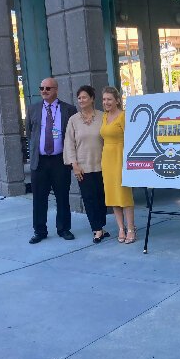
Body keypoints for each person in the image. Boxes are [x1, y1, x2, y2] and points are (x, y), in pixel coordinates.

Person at [27, 77, 77, 244]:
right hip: (39, 161)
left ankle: (64, 229)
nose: (44, 91)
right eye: (41, 88)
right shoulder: (33, 109)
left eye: (48, 88)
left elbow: (72, 135)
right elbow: (30, 133)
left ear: (56, 90)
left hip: (59, 161)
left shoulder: (68, 109)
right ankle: (39, 231)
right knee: (39, 198)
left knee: (62, 196)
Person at [64, 85, 109, 244]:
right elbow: (69, 144)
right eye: (79, 98)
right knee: (89, 199)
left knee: (102, 199)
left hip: (104, 165)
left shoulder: (103, 117)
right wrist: (74, 164)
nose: (81, 100)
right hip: (83, 167)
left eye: (84, 97)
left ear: (92, 99)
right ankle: (96, 229)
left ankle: (101, 227)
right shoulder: (73, 120)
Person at [100, 86, 135, 243]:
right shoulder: (104, 117)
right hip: (107, 158)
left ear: (117, 100)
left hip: (121, 157)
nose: (106, 102)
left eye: (109, 99)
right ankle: (121, 228)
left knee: (124, 195)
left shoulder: (123, 116)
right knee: (113, 195)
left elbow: (132, 139)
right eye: (104, 99)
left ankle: (131, 229)